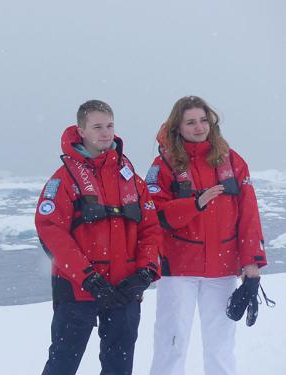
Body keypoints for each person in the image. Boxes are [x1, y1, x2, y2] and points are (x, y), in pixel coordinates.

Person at [35, 99, 162, 375]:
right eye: (97, 127)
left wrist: (145, 272)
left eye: (109, 126)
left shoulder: (132, 180)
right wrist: (88, 278)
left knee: (119, 366)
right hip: (78, 292)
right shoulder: (64, 180)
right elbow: (50, 231)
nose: (106, 133)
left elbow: (151, 230)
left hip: (125, 291)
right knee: (62, 364)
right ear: (81, 130)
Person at [147, 96, 267, 375]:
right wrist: (194, 203)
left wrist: (252, 264)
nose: (199, 127)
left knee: (221, 345)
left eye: (203, 120)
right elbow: (155, 214)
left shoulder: (233, 162)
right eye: (191, 122)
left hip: (222, 269)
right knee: (171, 344)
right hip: (178, 271)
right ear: (178, 126)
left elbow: (248, 215)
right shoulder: (162, 165)